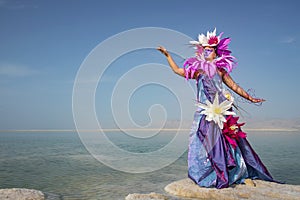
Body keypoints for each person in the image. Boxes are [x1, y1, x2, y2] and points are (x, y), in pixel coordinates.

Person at [157, 28, 277, 189]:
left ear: (216, 52)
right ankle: (210, 173)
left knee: (228, 142)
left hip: (221, 111)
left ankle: (234, 173)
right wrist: (167, 56)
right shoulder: (198, 71)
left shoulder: (220, 70)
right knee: (202, 144)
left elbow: (234, 86)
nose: (207, 52)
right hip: (204, 112)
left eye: (210, 50)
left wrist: (250, 98)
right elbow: (178, 71)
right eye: (205, 50)